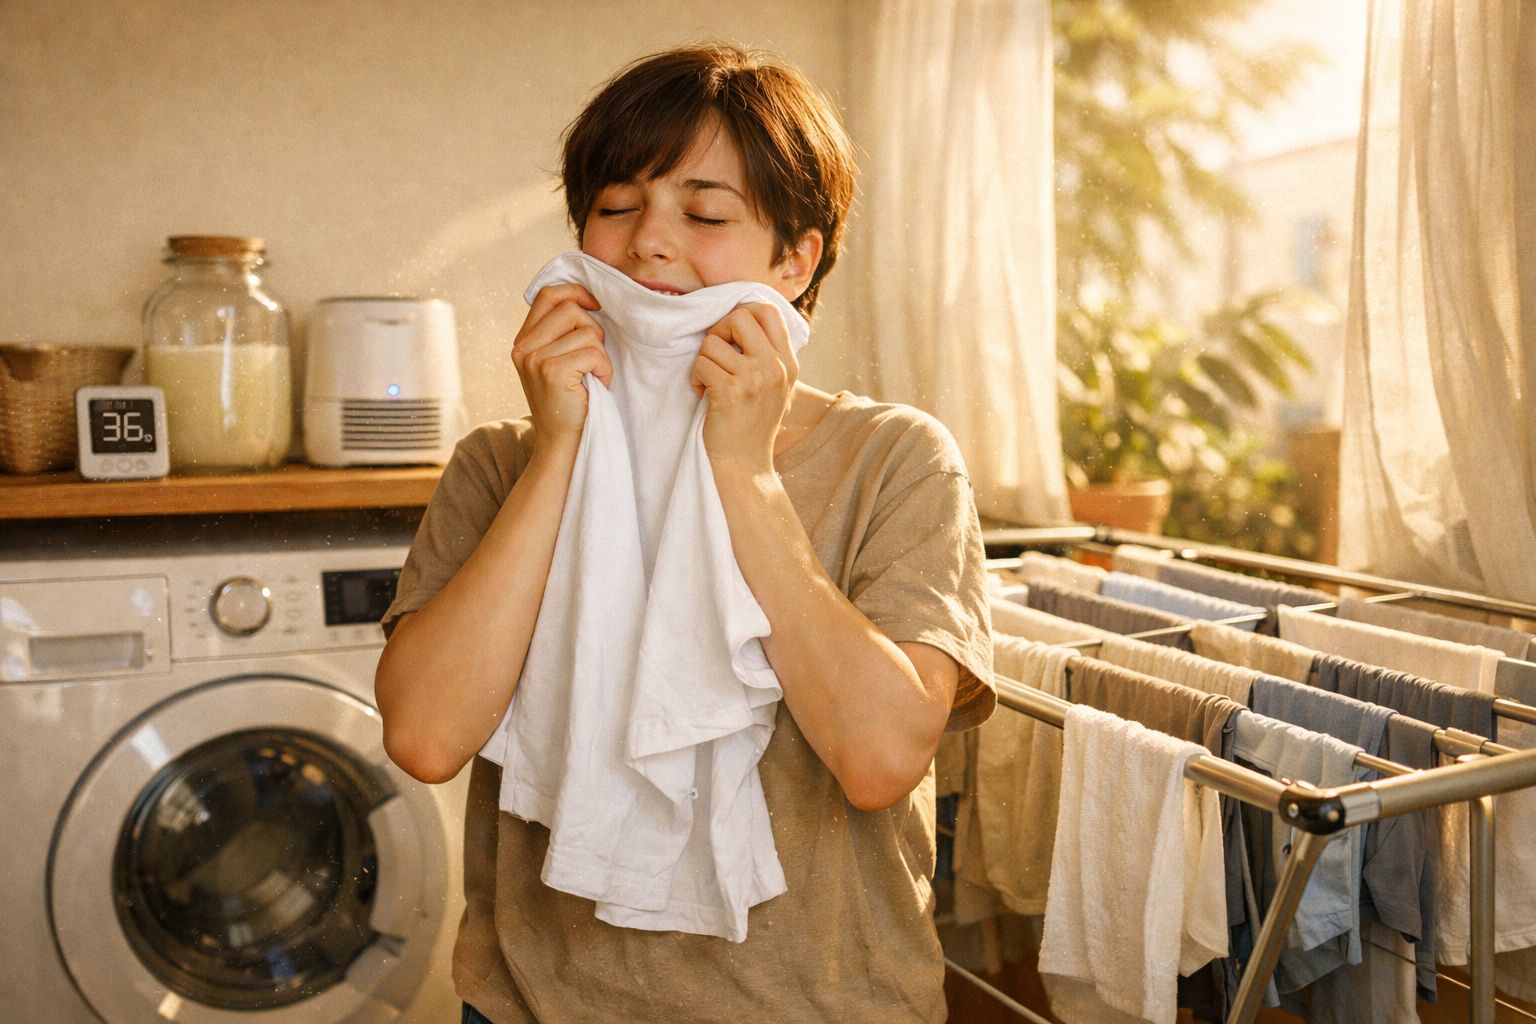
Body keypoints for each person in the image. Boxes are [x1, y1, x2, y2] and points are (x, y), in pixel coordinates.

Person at [374, 43, 994, 1023]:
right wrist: (559, 451)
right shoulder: (497, 462)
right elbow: (424, 736)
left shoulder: (895, 458)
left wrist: (743, 472)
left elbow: (879, 758)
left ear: (795, 260)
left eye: (704, 215)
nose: (649, 244)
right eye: (617, 206)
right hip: (537, 1004)